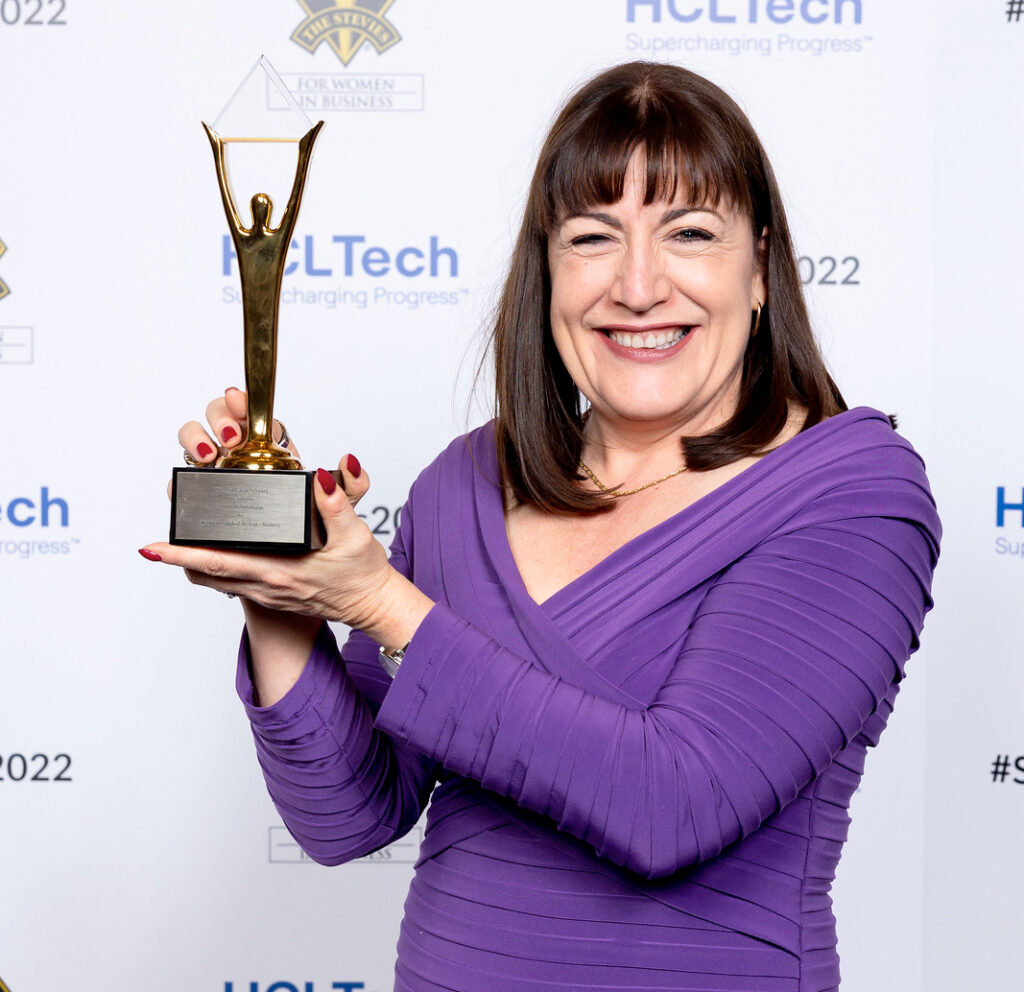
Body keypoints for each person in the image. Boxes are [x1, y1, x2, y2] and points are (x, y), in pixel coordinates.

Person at [141, 61, 940, 992]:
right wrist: (283, 585)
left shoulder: (848, 489)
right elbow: (348, 816)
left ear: (759, 267)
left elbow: (672, 804)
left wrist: (382, 606)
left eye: (689, 232)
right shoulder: (464, 486)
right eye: (594, 237)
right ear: (548, 269)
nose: (638, 286)